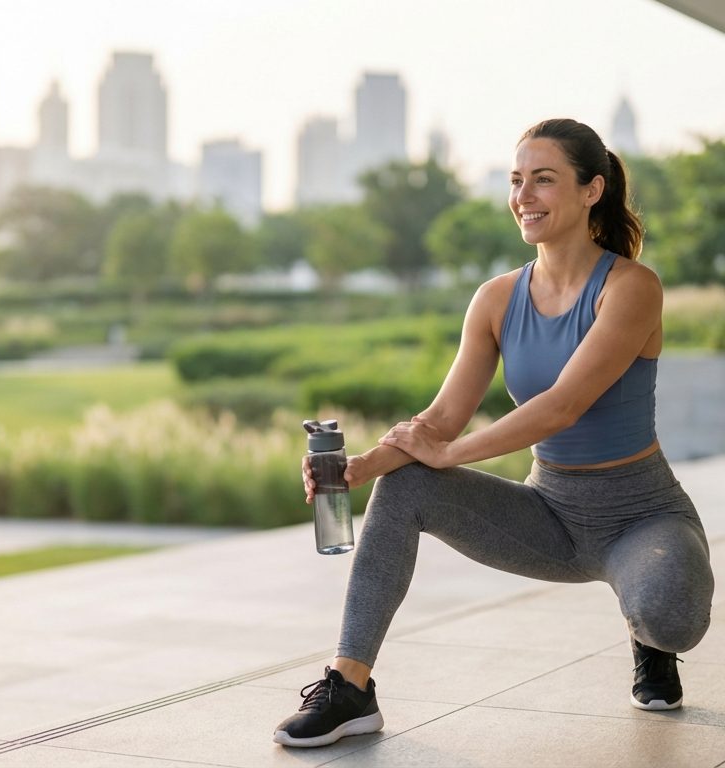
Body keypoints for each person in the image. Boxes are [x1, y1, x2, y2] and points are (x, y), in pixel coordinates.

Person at [273, 118, 715, 749]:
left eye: (543, 180)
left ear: (592, 190)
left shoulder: (630, 287)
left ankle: (649, 640)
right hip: (551, 516)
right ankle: (350, 687)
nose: (523, 196)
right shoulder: (496, 299)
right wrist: (362, 467)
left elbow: (562, 405)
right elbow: (441, 420)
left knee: (671, 617)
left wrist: (448, 452)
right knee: (406, 484)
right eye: (516, 181)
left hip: (641, 516)